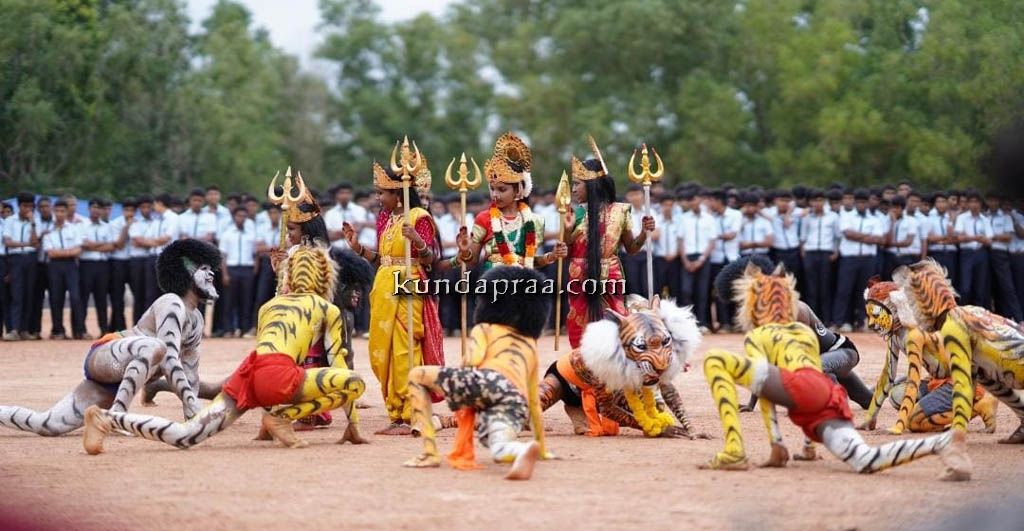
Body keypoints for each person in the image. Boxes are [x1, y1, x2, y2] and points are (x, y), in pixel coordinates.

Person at [82, 243, 366, 453]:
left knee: (187, 434)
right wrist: (352, 423)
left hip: (250, 371)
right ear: (324, 277)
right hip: (280, 375)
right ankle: (282, 417)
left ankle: (107, 417)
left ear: (288, 277)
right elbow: (339, 363)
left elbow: (265, 355)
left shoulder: (269, 306)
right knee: (354, 384)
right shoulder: (325, 308)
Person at [699, 260, 964, 477]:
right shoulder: (785, 325)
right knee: (867, 431)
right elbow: (777, 367)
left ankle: (734, 449)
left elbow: (769, 368)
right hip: (822, 390)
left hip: (836, 357)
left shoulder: (788, 316)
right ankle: (941, 438)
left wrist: (774, 437)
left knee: (716, 360)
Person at [0, 239, 221, 436]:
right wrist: (192, 404)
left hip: (116, 382)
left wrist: (191, 418)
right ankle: (118, 415)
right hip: (108, 355)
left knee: (47, 425)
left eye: (212, 269)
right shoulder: (171, 302)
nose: (211, 274)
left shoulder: (197, 320)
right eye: (204, 268)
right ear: (184, 271)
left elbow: (190, 370)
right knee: (155, 346)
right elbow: (169, 357)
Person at [403, 267, 553, 479]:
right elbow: (535, 404)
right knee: (500, 445)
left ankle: (429, 453)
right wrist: (544, 449)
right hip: (514, 400)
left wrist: (461, 392)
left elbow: (471, 361)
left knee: (417, 375)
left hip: (487, 381)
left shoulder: (485, 329)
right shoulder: (530, 345)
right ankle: (520, 450)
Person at [343, 139, 445, 435]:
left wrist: (417, 241)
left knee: (405, 350)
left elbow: (431, 259)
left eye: (382, 193)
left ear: (398, 194)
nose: (378, 198)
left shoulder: (419, 218)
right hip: (385, 285)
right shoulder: (386, 220)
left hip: (409, 285)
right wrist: (358, 248)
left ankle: (411, 410)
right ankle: (395, 412)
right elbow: (381, 258)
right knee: (382, 350)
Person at [893, 259, 1024, 481]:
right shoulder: (968, 311)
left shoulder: (953, 329)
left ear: (923, 301)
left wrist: (957, 443)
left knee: (972, 376)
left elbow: (962, 387)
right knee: (979, 373)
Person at [858, 277, 996, 434]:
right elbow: (887, 376)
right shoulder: (895, 333)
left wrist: (900, 425)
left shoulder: (913, 335)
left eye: (876, 315)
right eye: (869, 315)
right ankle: (941, 406)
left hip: (961, 382)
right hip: (938, 380)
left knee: (914, 423)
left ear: (895, 308)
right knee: (896, 395)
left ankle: (979, 405)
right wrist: (870, 416)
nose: (870, 323)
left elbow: (913, 381)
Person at [563, 136, 654, 348]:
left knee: (616, 321)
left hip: (611, 274)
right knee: (579, 324)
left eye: (577, 184)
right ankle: (583, 367)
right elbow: (566, 253)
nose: (573, 189)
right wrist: (567, 232)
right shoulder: (572, 213)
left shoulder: (620, 211)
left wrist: (643, 233)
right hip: (579, 275)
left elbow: (632, 248)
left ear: (592, 185)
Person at [441, 133, 566, 273]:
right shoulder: (484, 218)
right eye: (492, 189)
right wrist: (464, 252)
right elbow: (473, 261)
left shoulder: (534, 221)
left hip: (522, 285)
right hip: (492, 285)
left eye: (502, 189)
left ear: (518, 190)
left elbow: (530, 261)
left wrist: (552, 256)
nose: (495, 195)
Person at [832, 189, 883, 332]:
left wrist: (859, 236)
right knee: (844, 290)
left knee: (865, 291)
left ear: (868, 203)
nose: (861, 205)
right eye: (859, 202)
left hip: (868, 259)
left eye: (864, 202)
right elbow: (848, 234)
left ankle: (862, 322)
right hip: (849, 258)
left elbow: (879, 239)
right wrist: (868, 238)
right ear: (855, 202)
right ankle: (839, 322)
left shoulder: (874, 219)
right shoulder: (847, 216)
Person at [42, 200, 83, 340]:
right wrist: (69, 251)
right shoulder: (48, 230)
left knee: (76, 297)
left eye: (62, 211)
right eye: (57, 211)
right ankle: (58, 330)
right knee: (56, 298)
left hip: (71, 265)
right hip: (54, 266)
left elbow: (78, 250)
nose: (59, 214)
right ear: (54, 211)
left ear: (67, 212)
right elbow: (50, 253)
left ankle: (79, 330)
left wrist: (62, 252)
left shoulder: (74, 228)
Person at [678, 188, 717, 330]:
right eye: (690, 200)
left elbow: (712, 241)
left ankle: (702, 323)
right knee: (686, 290)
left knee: (702, 291)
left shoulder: (709, 218)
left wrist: (701, 259)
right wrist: (685, 261)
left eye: (694, 199)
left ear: (699, 199)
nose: (692, 203)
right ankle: (689, 323)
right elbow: (680, 241)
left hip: (703, 257)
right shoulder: (683, 218)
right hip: (687, 258)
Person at [2, 193, 39, 341]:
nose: (27, 209)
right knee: (16, 294)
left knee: (29, 294)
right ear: (19, 206)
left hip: (31, 258)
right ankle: (14, 329)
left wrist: (33, 224)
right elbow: (8, 242)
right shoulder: (10, 220)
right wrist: (27, 244)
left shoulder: (35, 221)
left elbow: (36, 243)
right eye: (25, 206)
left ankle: (24, 329)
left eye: (30, 206)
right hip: (16, 259)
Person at [799, 189, 838, 323]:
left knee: (825, 288)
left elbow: (837, 236)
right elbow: (803, 237)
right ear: (810, 202)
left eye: (820, 200)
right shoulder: (807, 217)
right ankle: (812, 320)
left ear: (825, 201)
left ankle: (826, 320)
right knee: (811, 289)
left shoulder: (832, 216)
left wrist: (835, 252)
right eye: (815, 200)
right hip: (810, 253)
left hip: (826, 253)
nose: (817, 203)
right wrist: (803, 253)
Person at [219, 207, 257, 338]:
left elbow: (255, 253)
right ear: (234, 217)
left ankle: (244, 328)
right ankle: (228, 329)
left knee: (246, 300)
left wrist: (254, 269)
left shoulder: (251, 234)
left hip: (247, 269)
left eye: (244, 216)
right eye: (239, 215)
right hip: (232, 268)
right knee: (230, 300)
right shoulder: (227, 234)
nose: (241, 218)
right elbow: (223, 256)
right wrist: (224, 274)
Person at [78, 198, 114, 337]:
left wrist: (93, 245)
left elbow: (112, 246)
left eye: (99, 208)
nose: (96, 210)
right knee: (83, 298)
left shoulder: (107, 227)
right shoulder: (82, 225)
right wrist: (101, 245)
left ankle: (104, 329)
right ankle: (81, 330)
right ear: (89, 209)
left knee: (102, 299)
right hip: (86, 265)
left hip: (103, 266)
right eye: (93, 207)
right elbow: (83, 245)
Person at [954, 190, 992, 308]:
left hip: (981, 254)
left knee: (980, 288)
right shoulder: (962, 218)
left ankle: (978, 317)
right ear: (968, 203)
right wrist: (976, 237)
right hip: (967, 254)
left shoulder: (985, 220)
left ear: (980, 204)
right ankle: (963, 314)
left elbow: (989, 241)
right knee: (965, 287)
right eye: (971, 202)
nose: (974, 204)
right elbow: (958, 238)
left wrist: (968, 237)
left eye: (976, 202)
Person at [27, 197, 55, 340]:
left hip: (54, 263)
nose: (45, 209)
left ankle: (57, 330)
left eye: (47, 206)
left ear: (51, 207)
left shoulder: (58, 221)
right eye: (42, 206)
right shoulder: (34, 222)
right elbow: (33, 243)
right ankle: (35, 330)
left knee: (56, 298)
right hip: (38, 264)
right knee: (37, 298)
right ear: (38, 209)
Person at [107, 198, 135, 332]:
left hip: (133, 261)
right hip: (117, 262)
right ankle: (118, 327)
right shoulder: (115, 223)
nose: (129, 213)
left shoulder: (140, 222)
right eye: (127, 210)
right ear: (122, 210)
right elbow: (119, 244)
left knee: (138, 295)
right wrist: (126, 227)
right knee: (117, 296)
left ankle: (138, 326)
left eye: (132, 210)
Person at [127, 195, 155, 326]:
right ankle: (137, 324)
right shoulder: (135, 222)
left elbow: (140, 241)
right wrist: (155, 242)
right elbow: (136, 241)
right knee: (138, 294)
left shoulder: (156, 221)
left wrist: (145, 242)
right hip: (137, 261)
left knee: (150, 294)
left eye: (149, 207)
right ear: (139, 209)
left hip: (150, 260)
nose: (146, 210)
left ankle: (149, 324)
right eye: (143, 207)